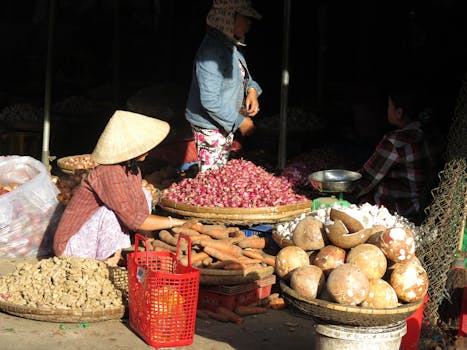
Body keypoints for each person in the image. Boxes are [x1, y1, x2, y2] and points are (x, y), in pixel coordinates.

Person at [53, 110, 186, 265]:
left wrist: (149, 242)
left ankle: (112, 256)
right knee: (111, 213)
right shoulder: (109, 172)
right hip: (72, 245)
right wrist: (175, 222)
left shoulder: (132, 169)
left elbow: (140, 209)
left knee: (144, 194)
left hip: (93, 235)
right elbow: (134, 220)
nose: (148, 150)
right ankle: (107, 262)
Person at [185, 0, 262, 172]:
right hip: (210, 127)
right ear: (229, 18)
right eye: (245, 17)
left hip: (223, 122)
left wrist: (252, 91)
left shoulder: (231, 46)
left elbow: (244, 77)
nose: (250, 22)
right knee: (213, 180)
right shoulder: (211, 52)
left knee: (220, 177)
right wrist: (240, 121)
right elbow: (209, 101)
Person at [352, 86, 438, 223]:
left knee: (360, 201)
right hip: (421, 205)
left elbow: (367, 179)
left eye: (389, 106)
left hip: (397, 210)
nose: (387, 110)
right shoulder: (428, 135)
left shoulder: (395, 142)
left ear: (399, 112)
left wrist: (344, 189)